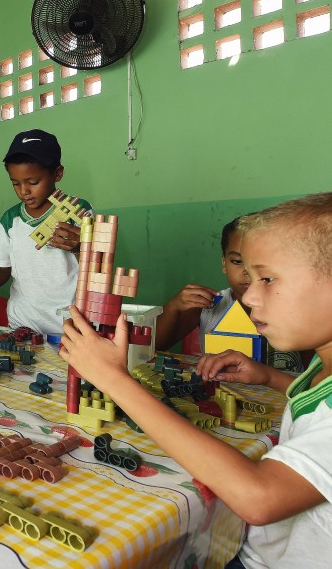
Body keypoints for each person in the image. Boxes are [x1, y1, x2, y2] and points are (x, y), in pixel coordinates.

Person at [60, 192, 332, 569]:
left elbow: (259, 497)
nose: (250, 296)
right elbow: (315, 406)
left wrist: (115, 381)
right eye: (249, 276)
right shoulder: (322, 369)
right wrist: (268, 376)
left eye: (268, 278)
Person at [0, 129, 92, 335]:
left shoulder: (78, 211)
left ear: (58, 173)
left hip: (68, 326)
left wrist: (80, 247)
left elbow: (99, 269)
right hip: (22, 324)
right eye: (15, 183)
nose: (23, 191)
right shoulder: (11, 219)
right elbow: (2, 268)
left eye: (33, 182)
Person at [156, 217, 307, 372]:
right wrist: (173, 307)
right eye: (237, 261)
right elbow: (155, 346)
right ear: (224, 264)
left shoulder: (296, 309)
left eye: (260, 262)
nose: (247, 271)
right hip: (219, 394)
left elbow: (314, 374)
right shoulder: (208, 305)